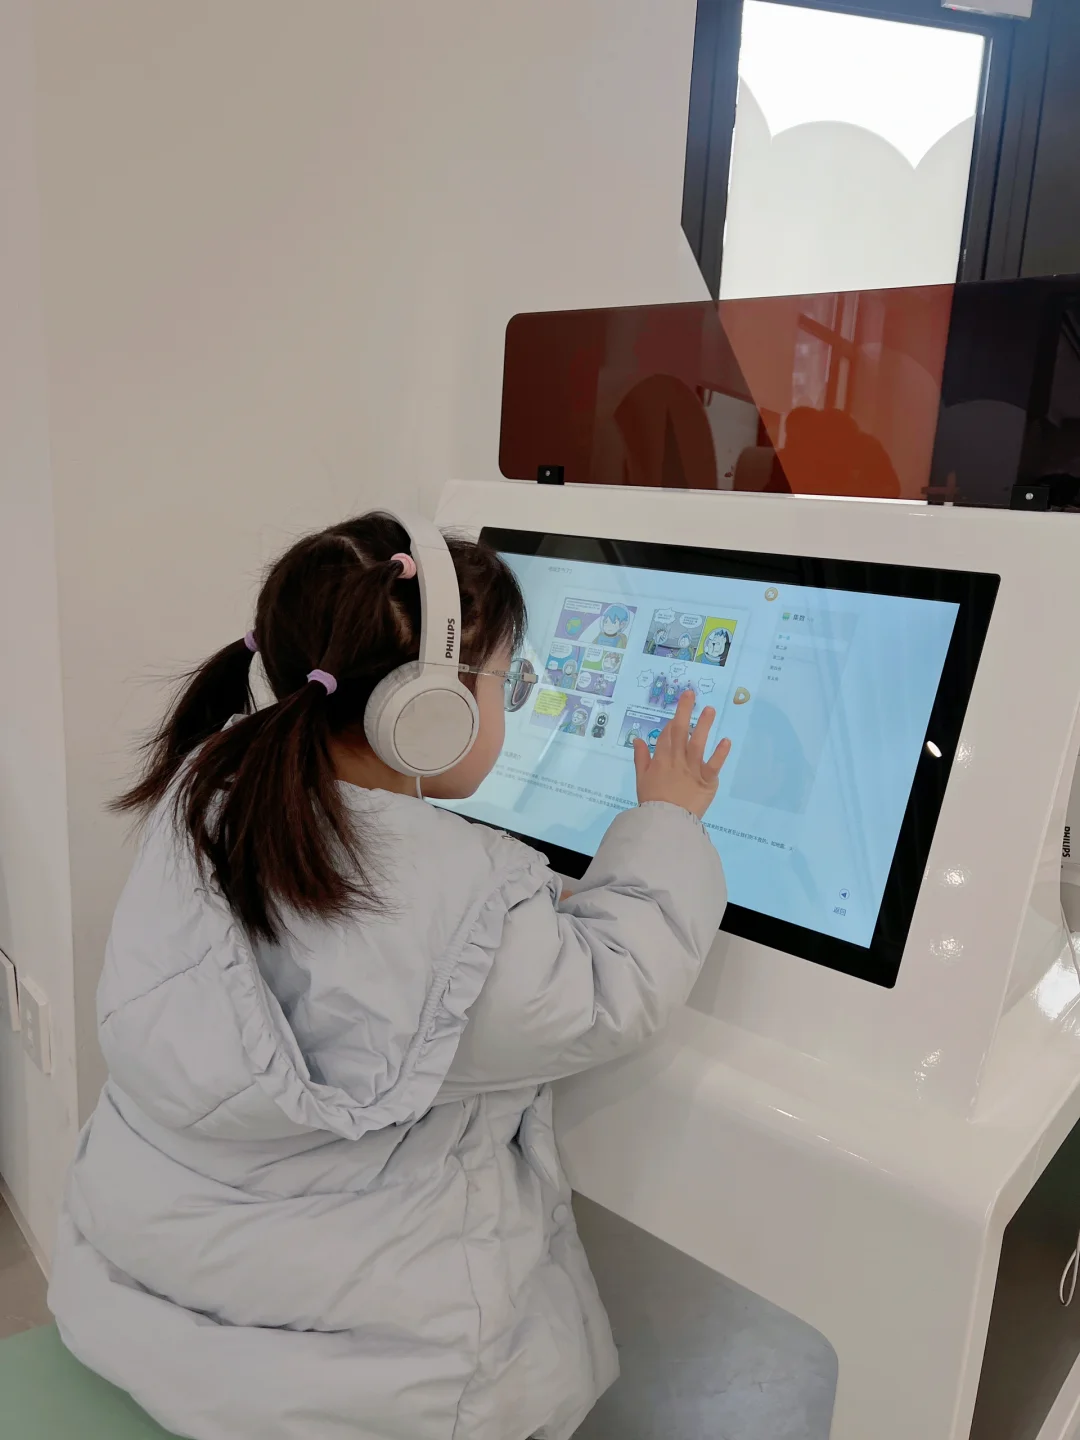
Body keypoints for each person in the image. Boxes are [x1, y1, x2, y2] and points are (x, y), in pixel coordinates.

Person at [48, 513, 731, 1440]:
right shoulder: (449, 891)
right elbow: (611, 993)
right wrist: (668, 822)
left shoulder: (211, 794)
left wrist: (509, 913)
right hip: (371, 1386)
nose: (509, 708)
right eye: (504, 685)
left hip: (142, 1296)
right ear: (427, 710)